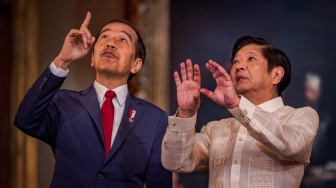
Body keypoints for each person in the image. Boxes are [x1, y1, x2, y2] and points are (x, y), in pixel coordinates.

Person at [14, 12, 172, 188]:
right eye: (104, 37)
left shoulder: (155, 119)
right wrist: (63, 59)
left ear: (136, 64)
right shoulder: (63, 103)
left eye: (122, 40)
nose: (110, 43)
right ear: (92, 58)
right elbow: (25, 119)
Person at [161, 35, 319, 188]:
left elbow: (289, 145)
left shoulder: (302, 116)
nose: (238, 66)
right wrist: (185, 114)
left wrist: (238, 105)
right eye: (236, 61)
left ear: (276, 74)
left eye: (251, 59)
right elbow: (175, 162)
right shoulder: (216, 129)